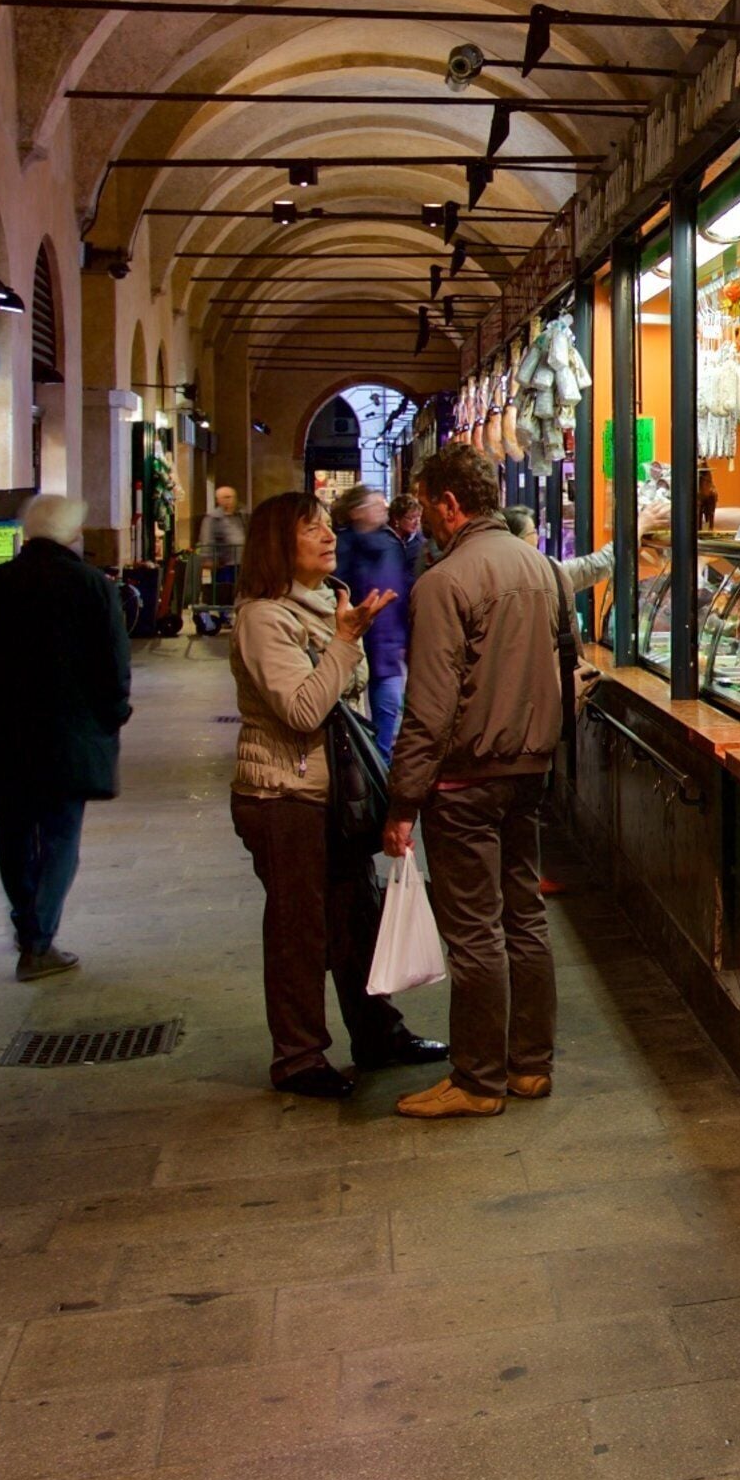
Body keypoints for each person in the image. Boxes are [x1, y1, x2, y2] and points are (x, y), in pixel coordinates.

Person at [226, 493, 439, 1098]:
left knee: (355, 919)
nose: (327, 536)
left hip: (330, 794)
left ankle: (377, 1033)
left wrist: (348, 631)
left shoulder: (324, 603)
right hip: (283, 794)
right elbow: (301, 710)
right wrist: (347, 641)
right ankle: (297, 1058)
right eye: (310, 529)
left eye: (326, 525)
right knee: (300, 931)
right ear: (277, 545)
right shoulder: (264, 618)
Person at [382, 444, 564, 1119]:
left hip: (464, 782)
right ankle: (530, 1067)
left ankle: (478, 1079)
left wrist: (403, 799)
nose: (426, 516)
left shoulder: (445, 581)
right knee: (525, 916)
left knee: (475, 931)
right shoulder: (540, 568)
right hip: (530, 772)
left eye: (427, 503)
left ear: (449, 504)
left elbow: (428, 707)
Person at [0, 494, 132, 980]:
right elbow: (114, 667)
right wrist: (110, 717)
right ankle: (39, 941)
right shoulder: (92, 588)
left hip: (2, 737)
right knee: (62, 835)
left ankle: (27, 925)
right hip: (71, 737)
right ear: (71, 535)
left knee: (14, 831)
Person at [331, 488, 416, 757]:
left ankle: (378, 769)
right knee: (350, 713)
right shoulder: (341, 547)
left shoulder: (391, 545)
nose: (383, 508)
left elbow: (400, 592)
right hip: (353, 643)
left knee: (387, 713)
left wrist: (406, 637)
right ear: (356, 512)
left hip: (387, 642)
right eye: (375, 504)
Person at [194, 485, 247, 634]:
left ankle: (234, 614)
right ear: (218, 500)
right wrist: (208, 557)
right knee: (223, 589)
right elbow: (207, 538)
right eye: (225, 498)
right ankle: (224, 616)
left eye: (231, 497)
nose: (229, 501)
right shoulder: (213, 518)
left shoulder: (240, 515)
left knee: (238, 589)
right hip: (224, 561)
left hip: (240, 560)